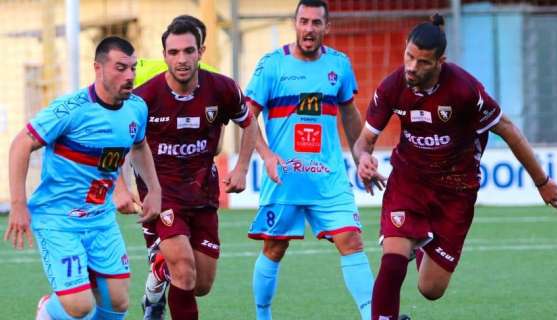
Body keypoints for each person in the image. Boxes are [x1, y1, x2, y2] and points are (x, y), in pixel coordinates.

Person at [353, 14, 557, 320]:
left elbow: (508, 130)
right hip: (409, 182)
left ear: (441, 61)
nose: (412, 67)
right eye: (408, 56)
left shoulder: (465, 90)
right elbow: (363, 142)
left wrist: (541, 181)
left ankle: (421, 240)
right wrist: (362, 159)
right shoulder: (391, 87)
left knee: (430, 289)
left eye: (422, 62)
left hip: (456, 190)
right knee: (393, 259)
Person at [4, 36, 162, 320]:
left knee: (117, 302)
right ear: (98, 68)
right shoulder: (70, 109)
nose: (129, 76)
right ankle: (46, 310)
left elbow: (138, 146)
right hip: (58, 219)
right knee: (79, 307)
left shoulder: (136, 108)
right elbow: (21, 144)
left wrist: (154, 189)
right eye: (120, 68)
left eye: (132, 68)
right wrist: (18, 204)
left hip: (100, 219)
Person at [114, 15, 258, 320]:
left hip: (203, 190)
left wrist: (243, 167)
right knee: (184, 271)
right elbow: (118, 141)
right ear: (164, 55)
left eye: (188, 51)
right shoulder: (145, 98)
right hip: (160, 192)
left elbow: (249, 123)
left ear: (201, 52)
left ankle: (158, 272)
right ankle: (163, 282)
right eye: (174, 52)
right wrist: (121, 187)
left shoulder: (222, 89)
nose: (182, 59)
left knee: (201, 284)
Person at [244, 1, 374, 319]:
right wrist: (265, 154)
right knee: (274, 248)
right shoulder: (272, 65)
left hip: (328, 178)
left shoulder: (339, 65)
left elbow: (349, 112)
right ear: (295, 23)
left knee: (352, 240)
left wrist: (361, 154)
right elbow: (247, 116)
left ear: (326, 27)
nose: (309, 29)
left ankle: (375, 315)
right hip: (284, 178)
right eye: (304, 21)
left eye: (317, 23)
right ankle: (263, 315)